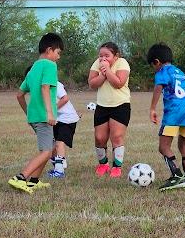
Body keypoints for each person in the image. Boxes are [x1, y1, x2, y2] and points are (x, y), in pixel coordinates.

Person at [8, 32, 63, 195]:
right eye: (58, 53)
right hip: (44, 116)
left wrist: (29, 113)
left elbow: (19, 95)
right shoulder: (50, 65)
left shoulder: (33, 69)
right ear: (49, 50)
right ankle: (20, 177)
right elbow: (45, 88)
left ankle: (33, 181)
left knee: (49, 148)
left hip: (34, 117)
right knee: (46, 151)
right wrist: (49, 113)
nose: (58, 57)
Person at [148, 42, 185, 191]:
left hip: (174, 112)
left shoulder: (163, 71)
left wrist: (152, 108)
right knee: (184, 145)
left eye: (153, 65)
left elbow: (158, 87)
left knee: (163, 147)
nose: (154, 69)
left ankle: (176, 176)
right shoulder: (180, 72)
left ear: (157, 62)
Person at [87, 42, 131, 178]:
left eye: (107, 55)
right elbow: (92, 83)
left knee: (116, 137)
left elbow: (118, 83)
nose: (103, 58)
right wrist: (103, 74)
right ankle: (103, 164)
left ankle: (117, 167)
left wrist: (107, 70)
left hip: (120, 105)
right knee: (99, 138)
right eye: (101, 56)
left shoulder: (122, 63)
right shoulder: (97, 63)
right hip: (102, 105)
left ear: (116, 56)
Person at [47, 81, 80, 178]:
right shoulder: (39, 88)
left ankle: (59, 171)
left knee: (59, 143)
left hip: (67, 119)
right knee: (51, 147)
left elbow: (65, 98)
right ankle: (60, 163)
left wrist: (52, 110)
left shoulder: (55, 84)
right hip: (56, 119)